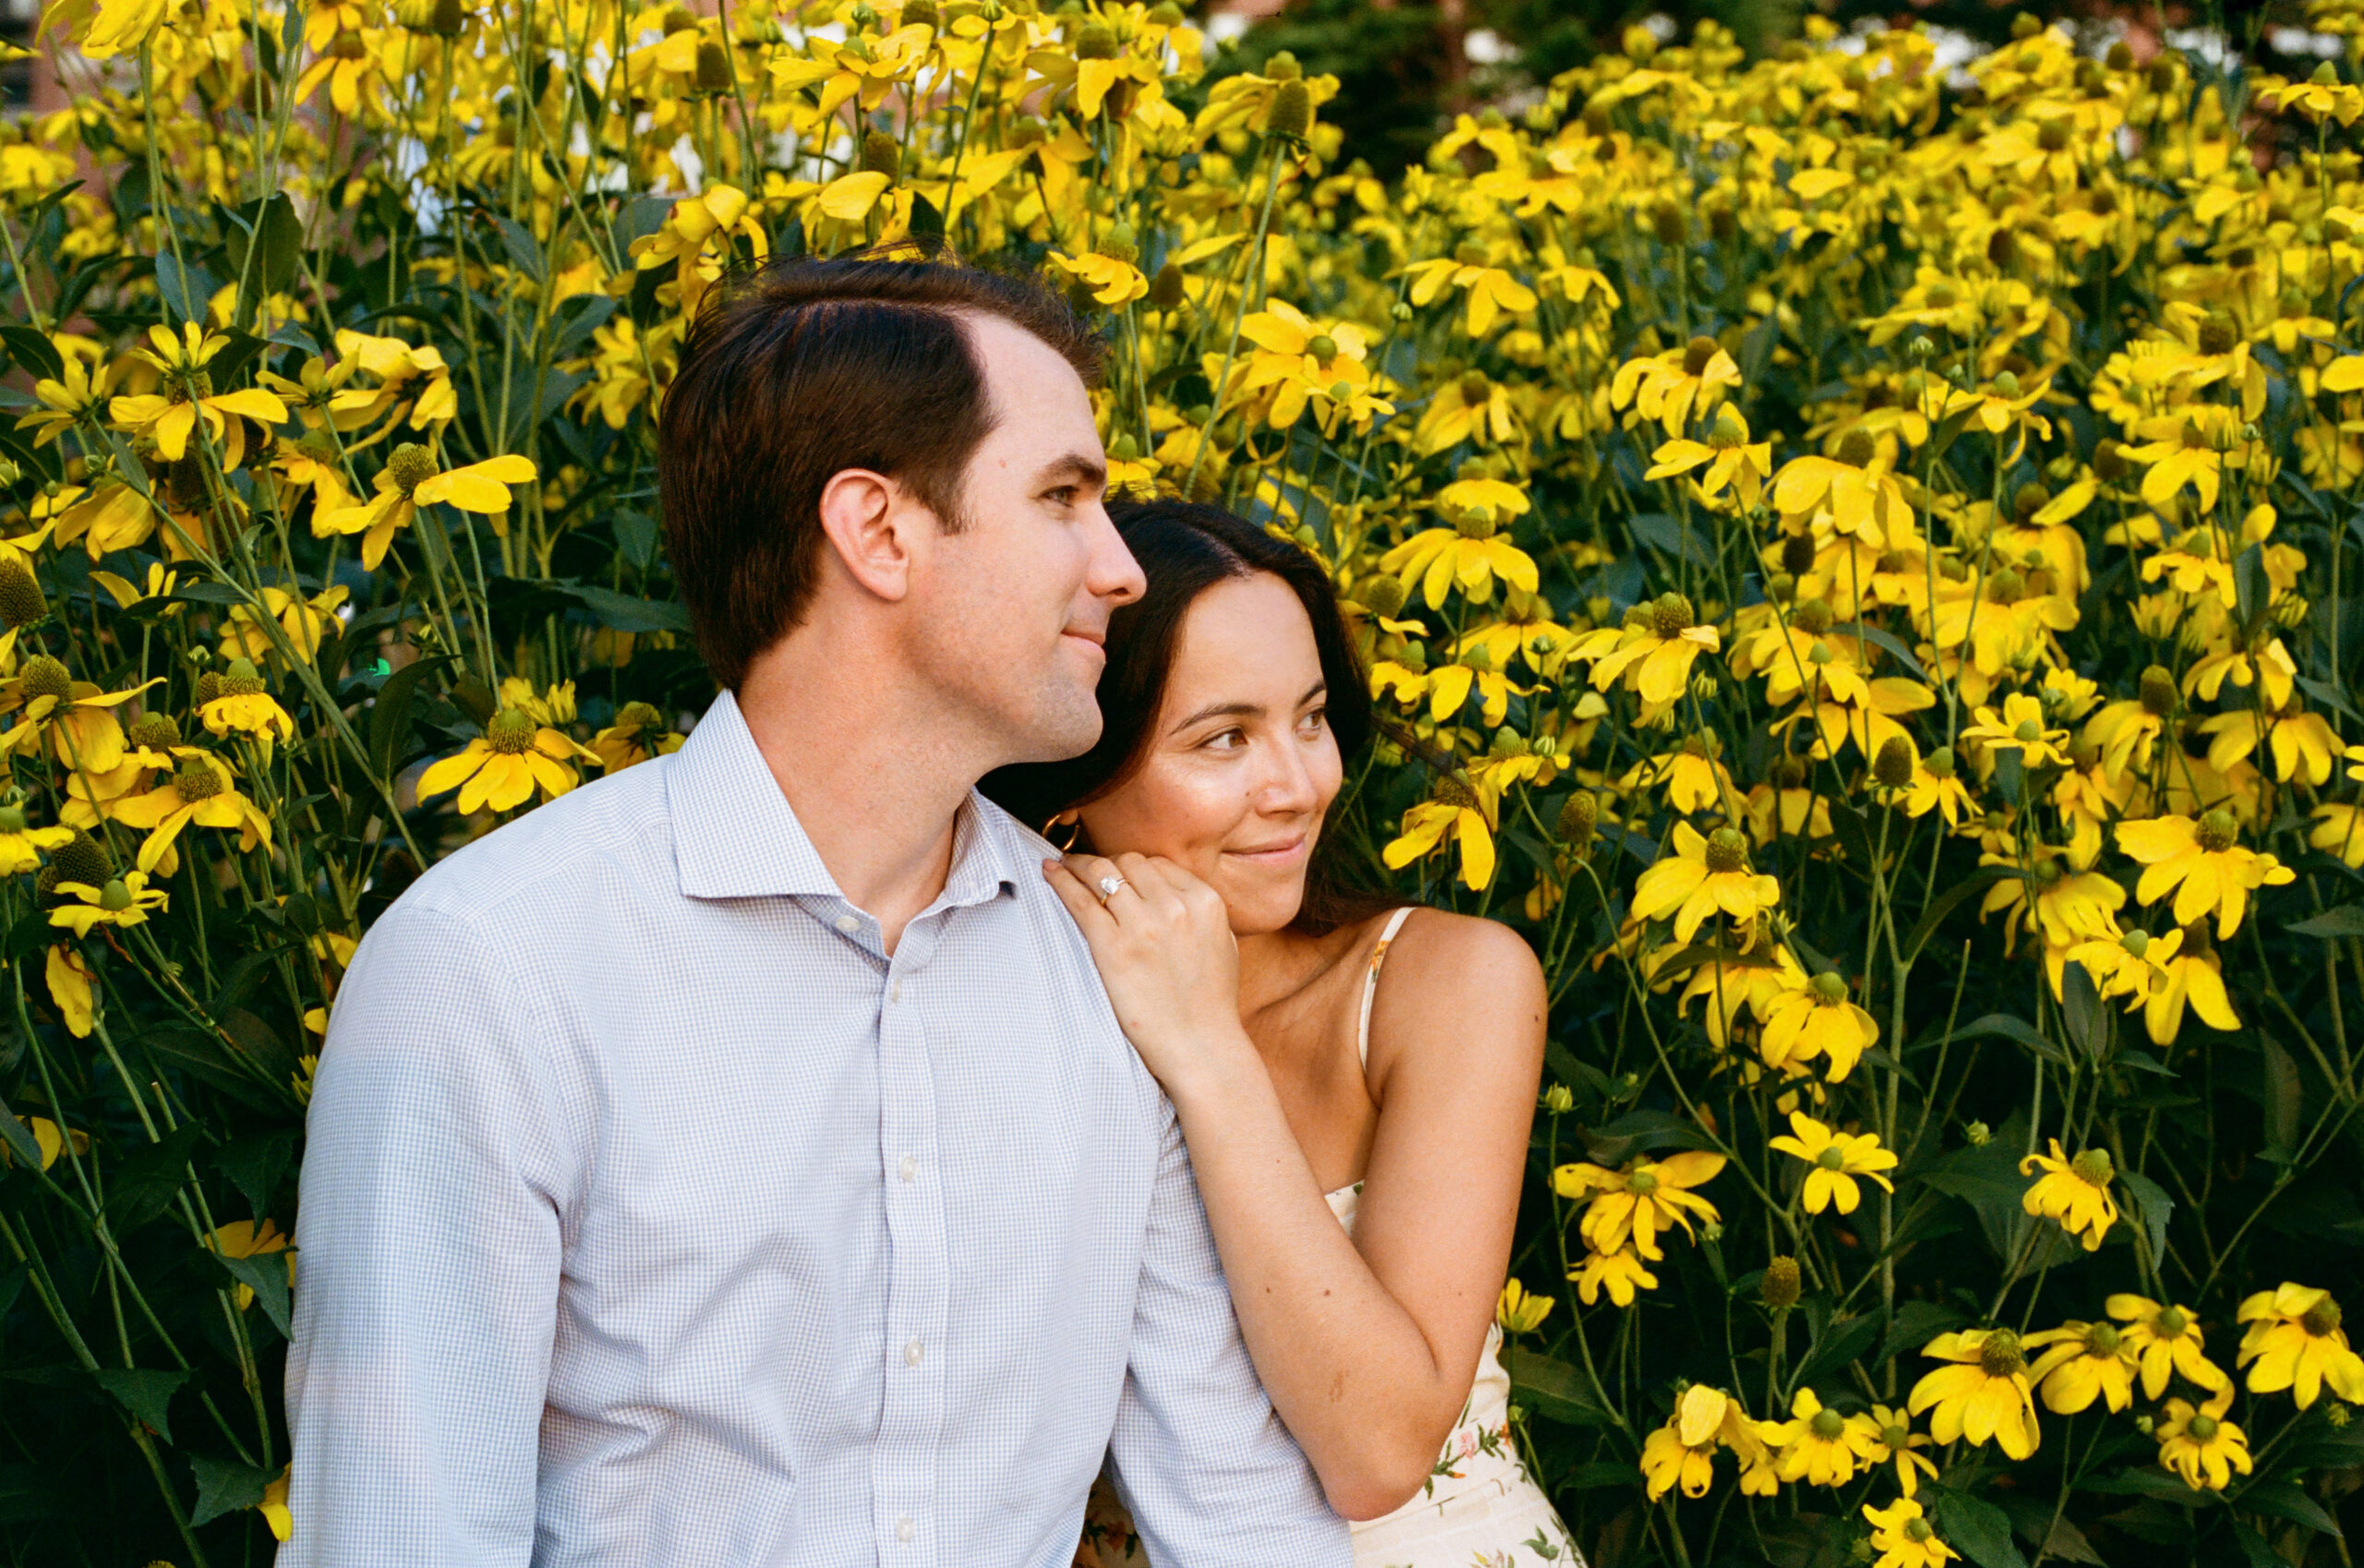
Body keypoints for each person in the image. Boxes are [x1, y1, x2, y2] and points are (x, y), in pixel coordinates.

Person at [280, 257, 1353, 1567]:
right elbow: (407, 1541)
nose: (1123, 570)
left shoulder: (1107, 968)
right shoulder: (497, 967)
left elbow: (1245, 1515)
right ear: (879, 531)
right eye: (1065, 497)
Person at [983, 501, 1580, 1568]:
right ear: (1073, 784)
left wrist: (1207, 1052)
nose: (1298, 784)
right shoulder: (999, 1020)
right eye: (1223, 739)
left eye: (1309, 718)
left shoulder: (1438, 983)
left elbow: (1377, 1448)